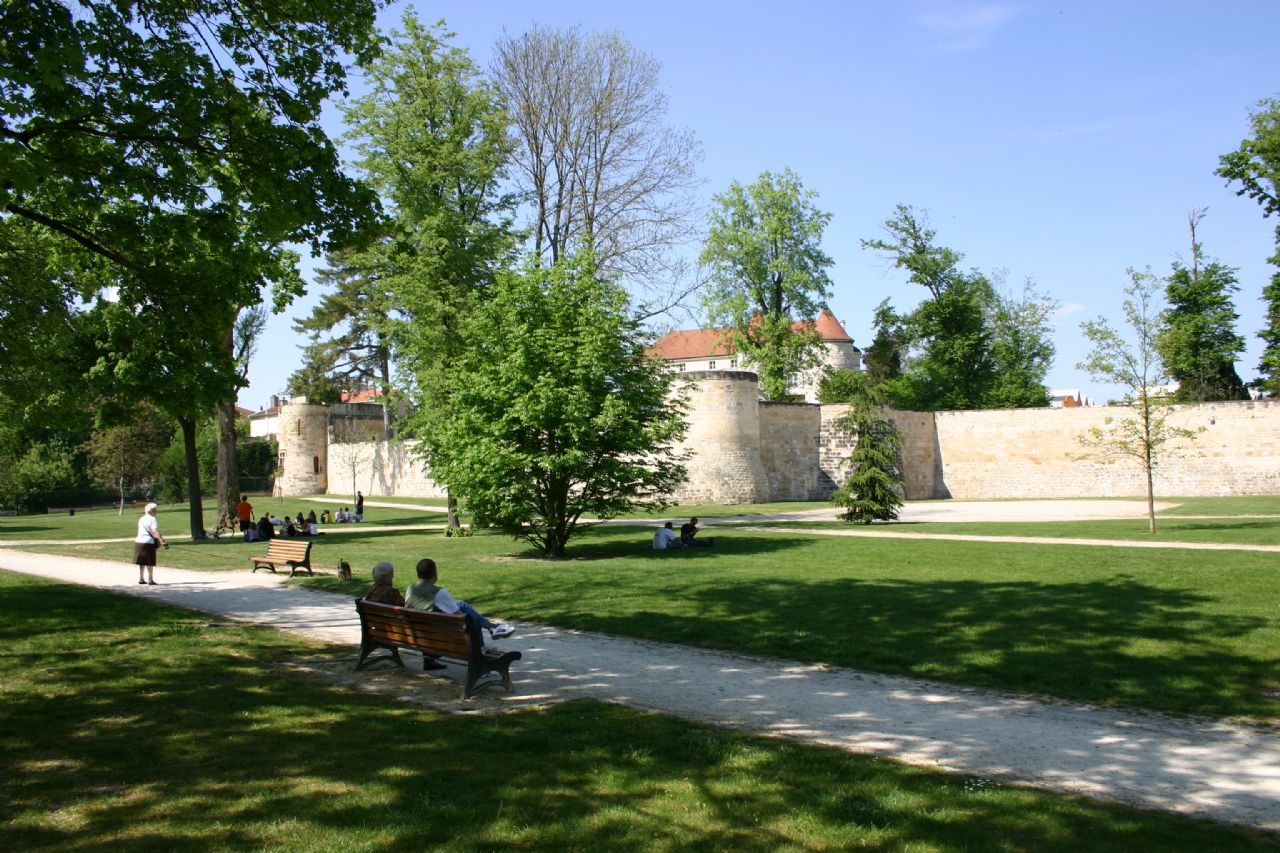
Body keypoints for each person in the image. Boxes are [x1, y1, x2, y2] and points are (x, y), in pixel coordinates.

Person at [405, 558, 514, 642]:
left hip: (418, 635)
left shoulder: (410, 589)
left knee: (460, 604)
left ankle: (491, 627)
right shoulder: (439, 592)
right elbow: (461, 618)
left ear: (418, 574)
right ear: (434, 573)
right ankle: (484, 641)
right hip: (437, 636)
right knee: (470, 619)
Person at [133, 502, 167, 585]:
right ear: (150, 511)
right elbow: (155, 531)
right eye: (154, 510)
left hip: (139, 541)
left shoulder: (141, 518)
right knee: (149, 561)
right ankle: (150, 579)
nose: (156, 511)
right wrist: (162, 541)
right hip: (148, 542)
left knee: (142, 561)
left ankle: (141, 578)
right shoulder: (152, 519)